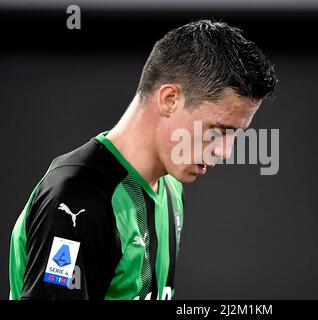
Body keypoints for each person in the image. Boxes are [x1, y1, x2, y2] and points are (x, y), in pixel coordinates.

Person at [9, 19, 277, 300]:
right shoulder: (78, 196)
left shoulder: (171, 188)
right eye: (220, 130)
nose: (225, 152)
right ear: (170, 99)